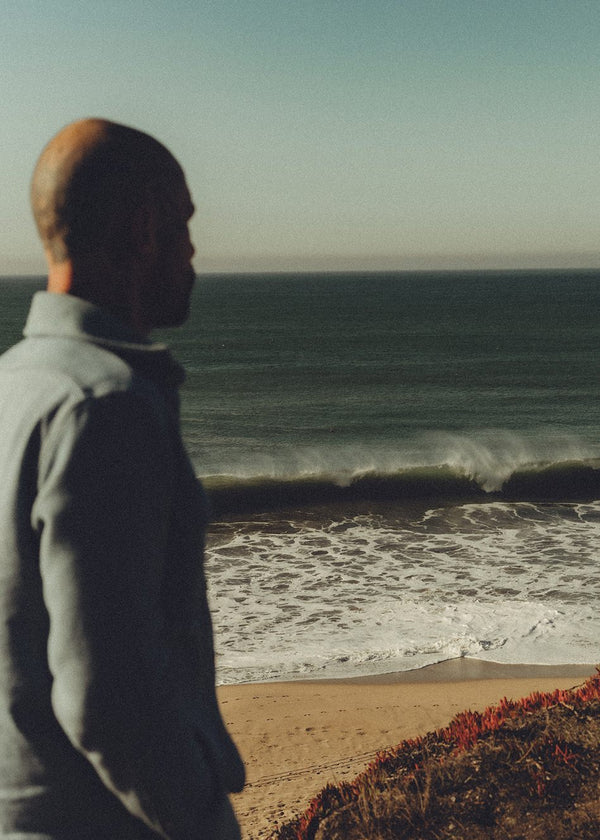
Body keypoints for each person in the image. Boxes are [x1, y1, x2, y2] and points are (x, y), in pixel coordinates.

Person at [0, 119, 245, 839]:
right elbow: (108, 698)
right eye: (184, 224)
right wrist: (203, 825)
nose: (194, 250)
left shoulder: (14, 385)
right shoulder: (104, 408)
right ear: (144, 230)